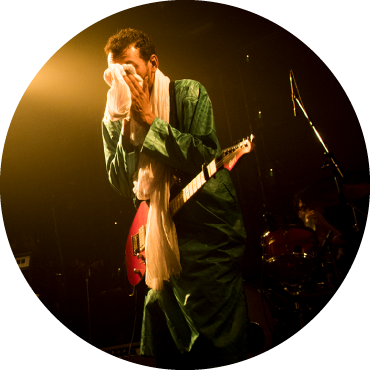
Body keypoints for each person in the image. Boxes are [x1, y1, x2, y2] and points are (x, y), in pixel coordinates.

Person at [101, 28, 253, 368]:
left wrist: (150, 123)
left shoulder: (187, 93)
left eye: (128, 68)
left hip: (206, 234)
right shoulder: (112, 118)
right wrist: (126, 136)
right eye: (113, 73)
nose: (121, 80)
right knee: (165, 343)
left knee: (216, 344)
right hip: (158, 244)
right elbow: (119, 182)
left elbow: (204, 154)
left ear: (152, 64)